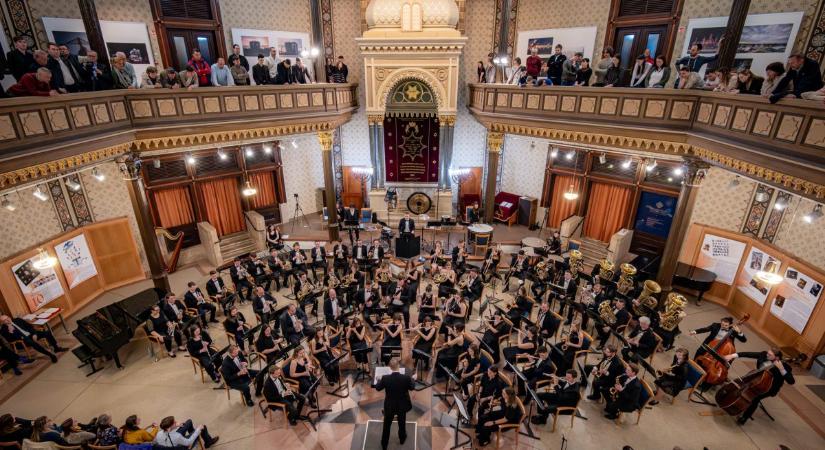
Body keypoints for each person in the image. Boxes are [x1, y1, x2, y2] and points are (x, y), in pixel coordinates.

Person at [724, 348, 795, 425]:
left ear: (777, 357)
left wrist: (782, 369)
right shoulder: (764, 355)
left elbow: (791, 381)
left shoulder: (785, 366)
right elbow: (748, 354)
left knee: (755, 398)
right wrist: (732, 355)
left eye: (770, 355)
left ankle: (745, 417)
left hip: (769, 387)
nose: (767, 355)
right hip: (756, 379)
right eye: (768, 353)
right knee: (742, 385)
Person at [374, 358, 415, 450]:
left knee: (387, 425)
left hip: (389, 406)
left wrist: (378, 379)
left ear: (390, 367)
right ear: (398, 366)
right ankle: (402, 439)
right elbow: (412, 387)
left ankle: (384, 444)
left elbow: (377, 388)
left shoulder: (385, 378)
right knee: (402, 423)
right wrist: (413, 379)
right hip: (402, 405)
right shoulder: (406, 378)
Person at [0, 314, 65, 362]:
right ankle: (50, 355)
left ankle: (56, 348)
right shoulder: (3, 330)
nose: (8, 320)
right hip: (22, 340)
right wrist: (11, 332)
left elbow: (30, 326)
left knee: (47, 333)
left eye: (7, 317)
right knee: (32, 342)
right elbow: (10, 340)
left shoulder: (17, 320)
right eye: (5, 320)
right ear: (2, 322)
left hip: (31, 334)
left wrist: (34, 334)